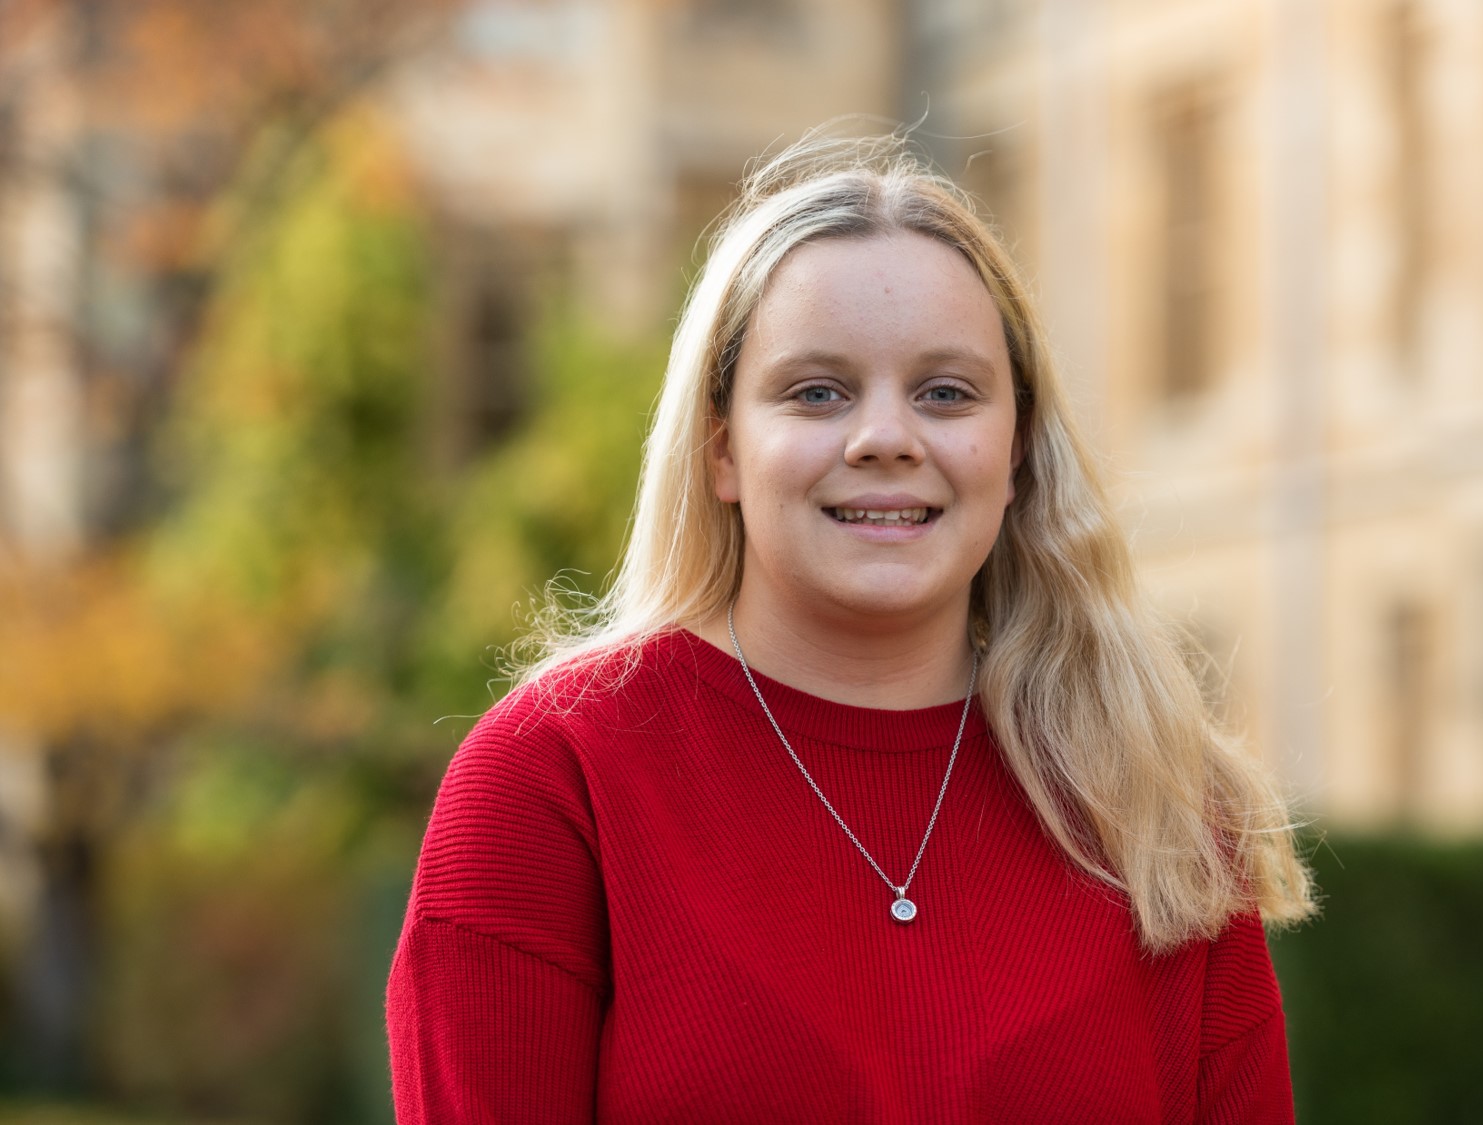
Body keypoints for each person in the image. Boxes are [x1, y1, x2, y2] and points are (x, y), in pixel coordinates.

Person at [386, 131, 1316, 1124]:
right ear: (722, 451)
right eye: (817, 391)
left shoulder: (1158, 802)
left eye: (946, 393)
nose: (885, 439)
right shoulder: (552, 782)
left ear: (1015, 453)